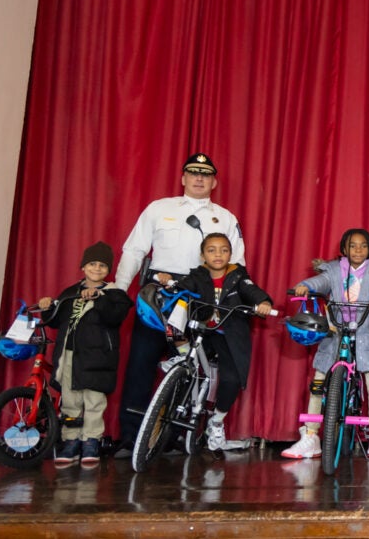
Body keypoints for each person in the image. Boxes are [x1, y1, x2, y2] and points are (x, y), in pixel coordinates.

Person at [113, 152, 245, 457]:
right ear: (183, 178)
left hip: (200, 292)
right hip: (160, 293)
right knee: (142, 364)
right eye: (193, 173)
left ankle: (170, 438)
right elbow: (134, 250)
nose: (199, 178)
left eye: (205, 174)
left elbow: (236, 263)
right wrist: (120, 289)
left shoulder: (225, 217)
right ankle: (131, 439)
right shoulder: (160, 209)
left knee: (191, 369)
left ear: (214, 182)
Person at [283, 228, 369, 460]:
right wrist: (306, 287)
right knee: (319, 381)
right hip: (335, 332)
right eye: (352, 246)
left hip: (367, 334)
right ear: (344, 249)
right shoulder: (333, 269)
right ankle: (311, 436)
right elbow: (319, 281)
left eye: (362, 246)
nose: (358, 250)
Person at [161, 233, 272, 450]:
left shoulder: (238, 276)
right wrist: (168, 283)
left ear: (230, 254)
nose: (218, 254)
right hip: (199, 330)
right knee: (176, 312)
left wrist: (264, 302)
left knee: (231, 379)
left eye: (223, 250)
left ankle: (217, 422)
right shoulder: (197, 275)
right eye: (211, 250)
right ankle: (181, 355)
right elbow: (182, 286)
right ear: (202, 255)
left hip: (226, 335)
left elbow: (252, 291)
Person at [38, 241, 132, 467]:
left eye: (102, 265)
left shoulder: (114, 294)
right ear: (83, 266)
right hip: (69, 355)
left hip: (98, 359)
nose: (97, 269)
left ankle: (91, 442)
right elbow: (55, 321)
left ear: (109, 270)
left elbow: (114, 317)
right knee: (70, 402)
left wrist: (98, 298)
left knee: (93, 401)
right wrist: (47, 307)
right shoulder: (71, 292)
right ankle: (71, 443)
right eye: (92, 264)